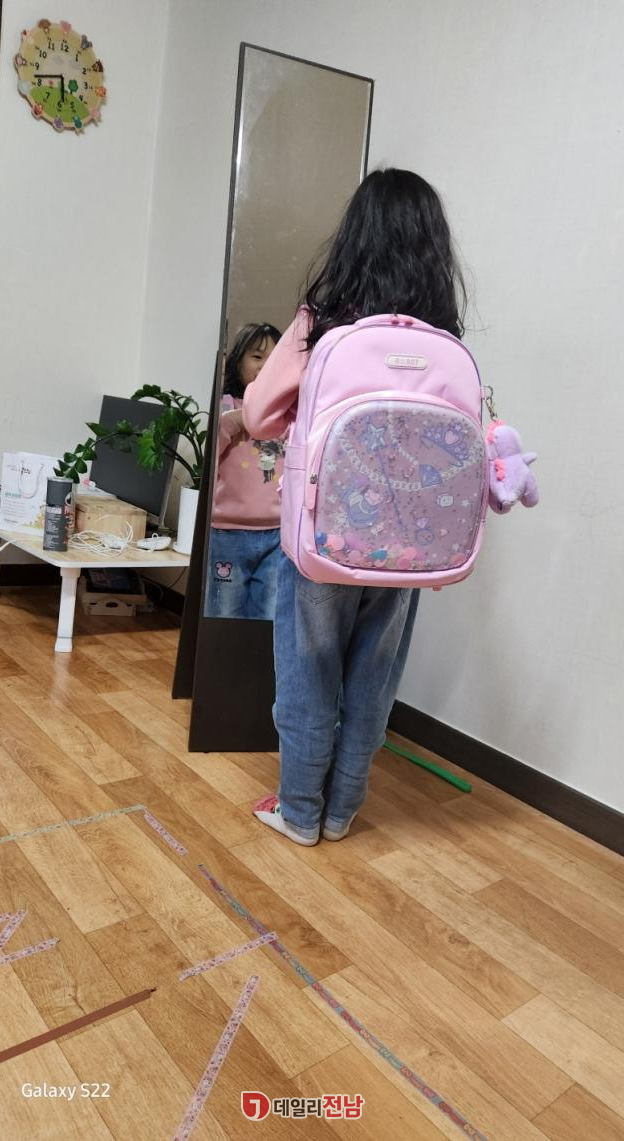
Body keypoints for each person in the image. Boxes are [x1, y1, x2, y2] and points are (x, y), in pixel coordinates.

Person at [243, 169, 467, 844]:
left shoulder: (322, 323)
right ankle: (342, 812)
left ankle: (300, 812)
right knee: (373, 678)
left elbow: (256, 414)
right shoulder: (446, 340)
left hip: (322, 539)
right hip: (410, 547)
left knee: (308, 671)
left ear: (355, 236)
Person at [206, 322, 284, 620]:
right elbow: (207, 458)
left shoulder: (288, 413)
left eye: (274, 359)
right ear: (238, 360)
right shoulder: (226, 406)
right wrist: (232, 421)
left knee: (269, 615)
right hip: (227, 533)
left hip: (277, 534)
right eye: (257, 356)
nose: (266, 366)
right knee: (223, 612)